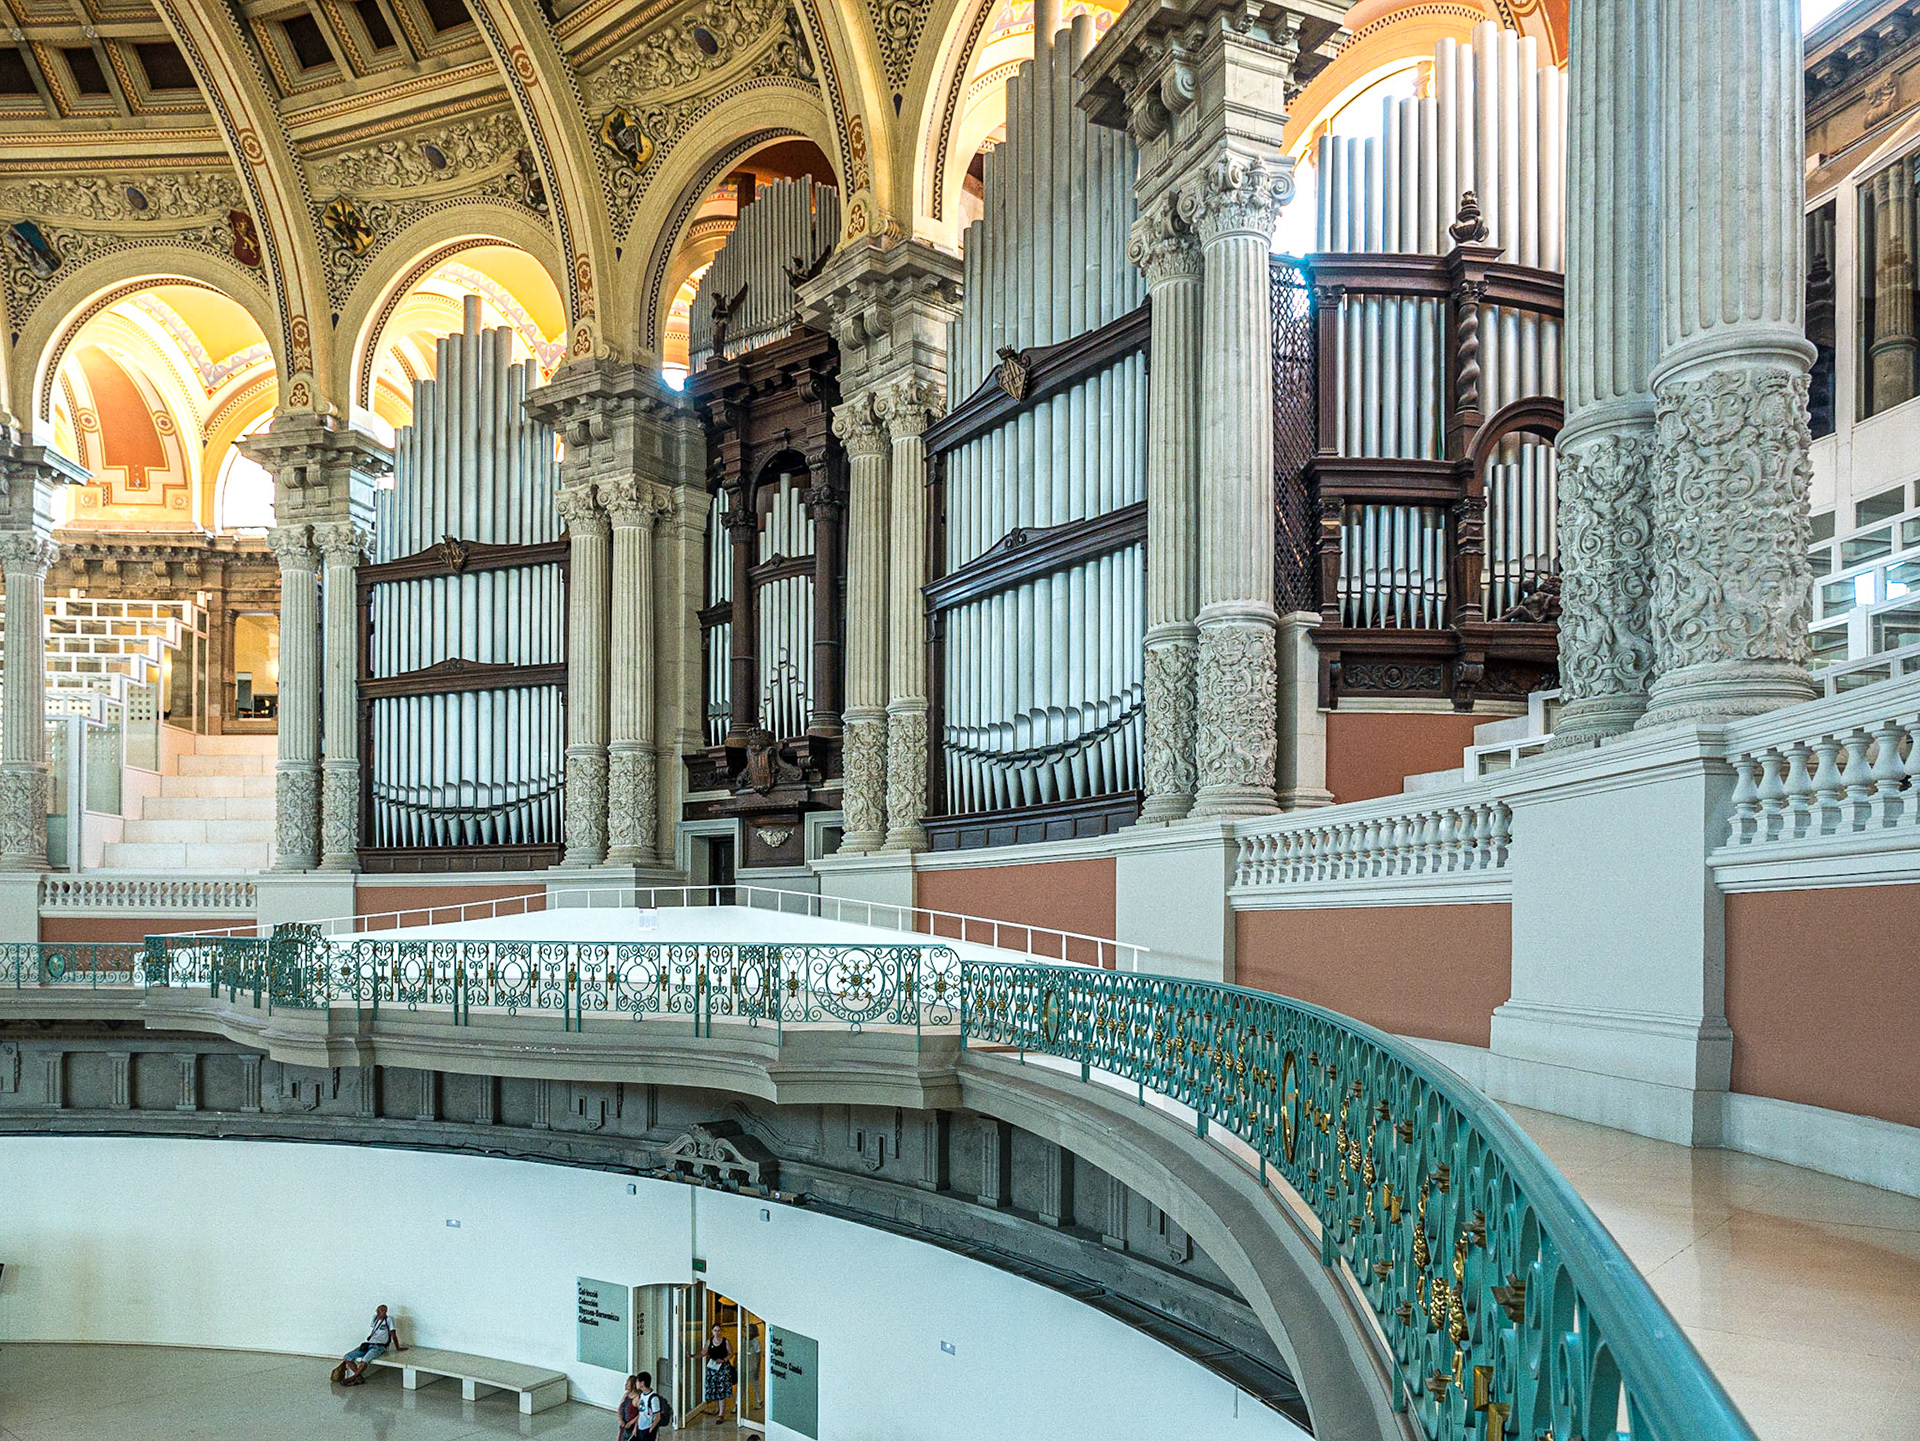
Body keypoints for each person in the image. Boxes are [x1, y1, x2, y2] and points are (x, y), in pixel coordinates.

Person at [333, 1304, 403, 1386]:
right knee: (347, 1357)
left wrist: (397, 1347)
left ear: (385, 1312)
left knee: (365, 1359)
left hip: (379, 1346)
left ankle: (353, 1377)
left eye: (381, 1311)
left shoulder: (389, 1319)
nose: (378, 1312)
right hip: (369, 1344)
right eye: (377, 1310)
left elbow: (393, 1334)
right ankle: (358, 1376)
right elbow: (374, 1329)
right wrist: (371, 1336)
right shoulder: (375, 1318)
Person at [704, 1325, 737, 1423]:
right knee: (715, 1390)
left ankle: (721, 1414)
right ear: (712, 1331)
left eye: (719, 1331)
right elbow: (703, 1352)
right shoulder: (709, 1341)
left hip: (723, 1369)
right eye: (715, 1330)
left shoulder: (725, 1341)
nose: (717, 1333)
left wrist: (723, 1360)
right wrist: (692, 1356)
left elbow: (731, 1353)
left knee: (721, 1391)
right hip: (713, 1369)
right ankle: (717, 1409)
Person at [633, 1372, 668, 1436]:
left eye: (637, 1381)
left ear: (642, 1383)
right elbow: (641, 1413)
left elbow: (657, 1416)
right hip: (640, 1428)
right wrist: (636, 1427)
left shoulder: (653, 1398)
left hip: (647, 1429)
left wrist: (650, 1430)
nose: (636, 1383)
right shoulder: (642, 1395)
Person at [618, 1375, 642, 1440]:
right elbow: (619, 1408)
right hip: (624, 1425)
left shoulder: (637, 1398)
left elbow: (640, 1413)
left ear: (633, 1386)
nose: (626, 1385)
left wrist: (631, 1423)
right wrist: (620, 1420)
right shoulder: (626, 1395)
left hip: (631, 1426)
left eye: (628, 1383)